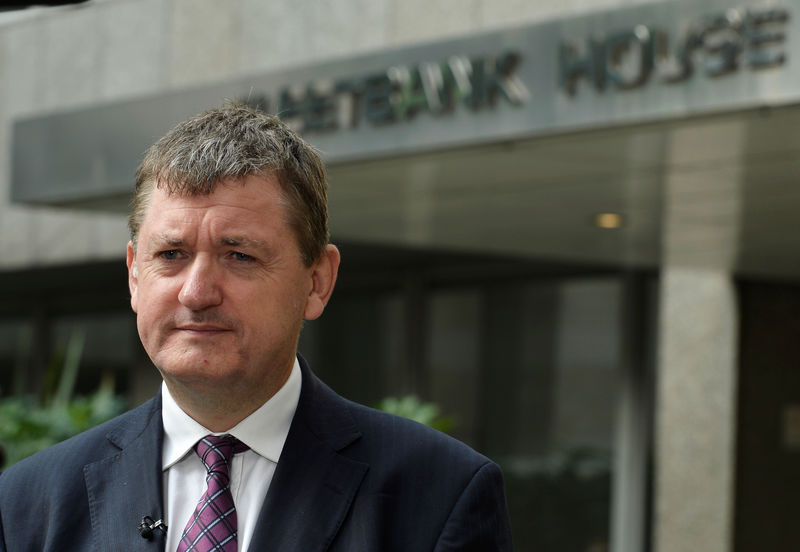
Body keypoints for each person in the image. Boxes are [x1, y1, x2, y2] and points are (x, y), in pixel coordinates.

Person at [0, 104, 513, 551]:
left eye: (239, 255)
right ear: (134, 274)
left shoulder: (438, 495)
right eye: (171, 255)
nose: (197, 292)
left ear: (317, 281)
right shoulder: (29, 502)